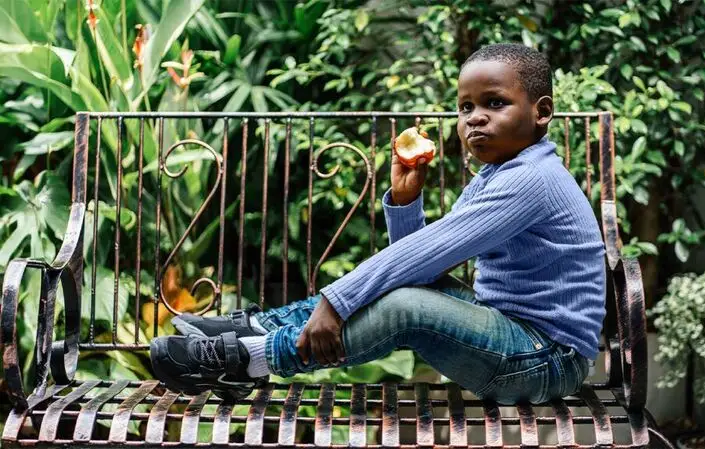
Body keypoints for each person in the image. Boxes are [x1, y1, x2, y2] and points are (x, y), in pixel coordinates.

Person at [150, 43, 606, 405]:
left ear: (541, 113)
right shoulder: (500, 173)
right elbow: (421, 268)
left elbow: (424, 257)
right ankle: (260, 329)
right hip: (514, 338)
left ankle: (247, 359)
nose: (475, 119)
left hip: (545, 360)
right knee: (405, 291)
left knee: (404, 305)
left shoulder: (532, 180)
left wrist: (337, 302)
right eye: (465, 108)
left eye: (495, 103)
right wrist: (406, 199)